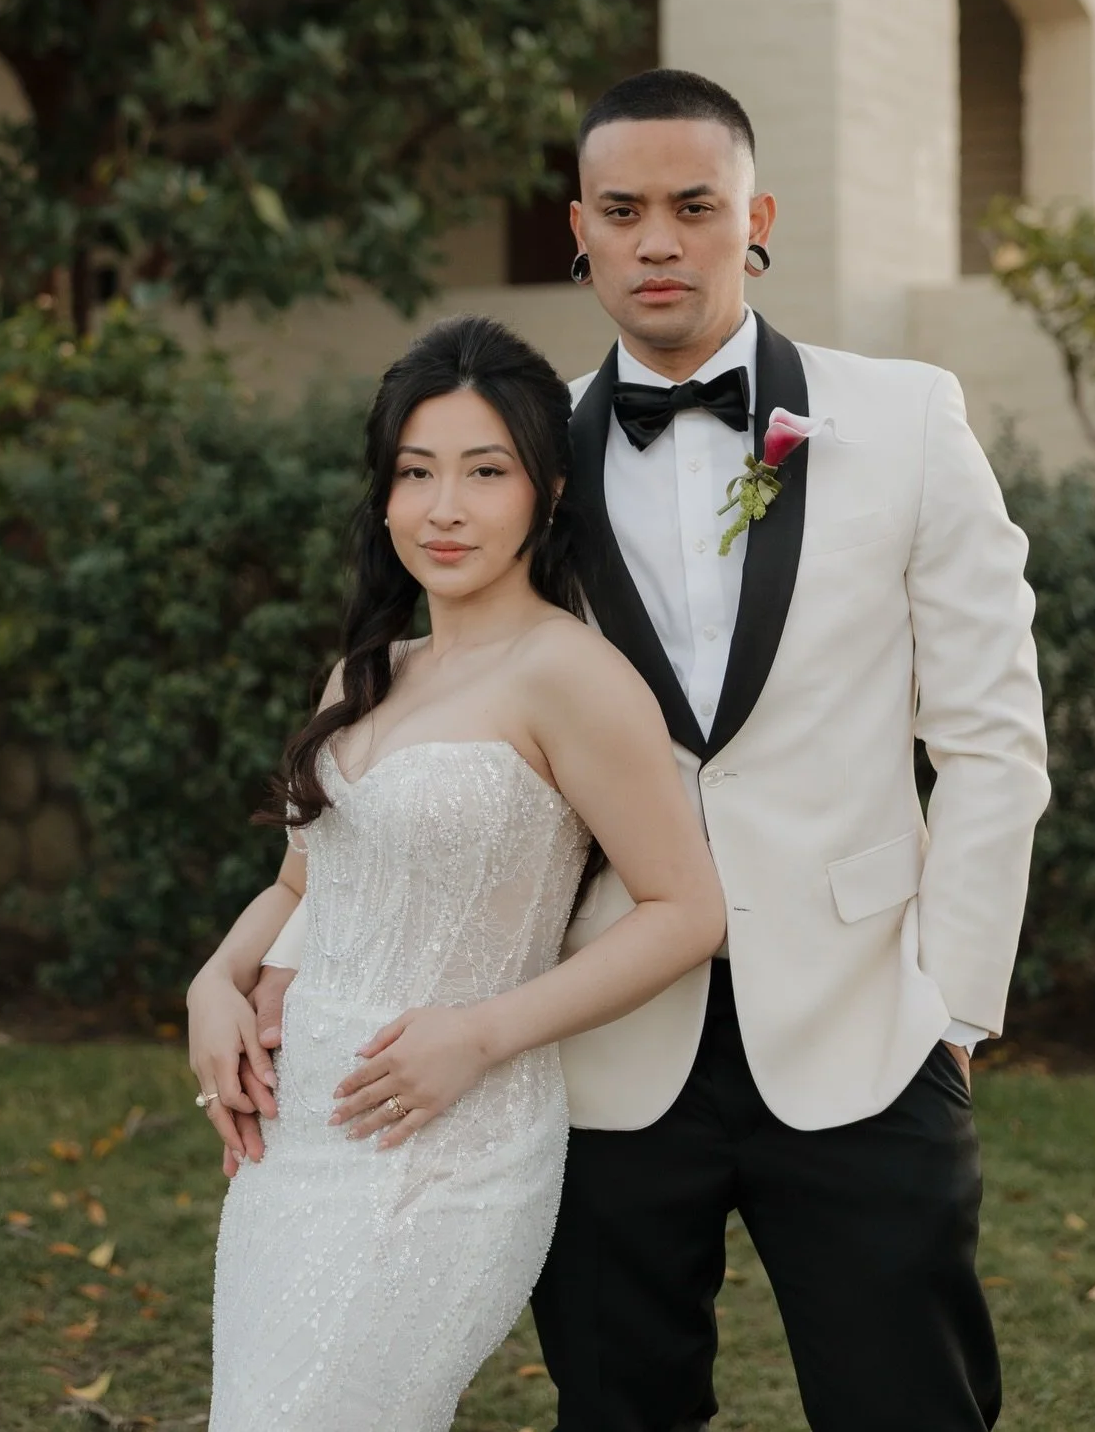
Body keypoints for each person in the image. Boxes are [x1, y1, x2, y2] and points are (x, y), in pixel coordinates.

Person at [240, 66, 1050, 1431]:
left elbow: (991, 740)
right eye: (624, 209)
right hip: (600, 1041)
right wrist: (262, 959)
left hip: (864, 1024)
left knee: (911, 1404)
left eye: (694, 204)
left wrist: (953, 1011)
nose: (659, 239)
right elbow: (415, 728)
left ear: (757, 216)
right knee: (620, 1409)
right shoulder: (513, 453)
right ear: (581, 226)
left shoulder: (907, 419)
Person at [187, 313, 725, 1432]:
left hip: (450, 1142)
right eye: (415, 471)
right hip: (296, 1147)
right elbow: (300, 884)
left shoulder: (571, 676)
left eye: (486, 471)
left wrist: (479, 1034)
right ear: (381, 494)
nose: (444, 507)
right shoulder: (370, 667)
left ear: (547, 491)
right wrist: (213, 982)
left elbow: (686, 911)